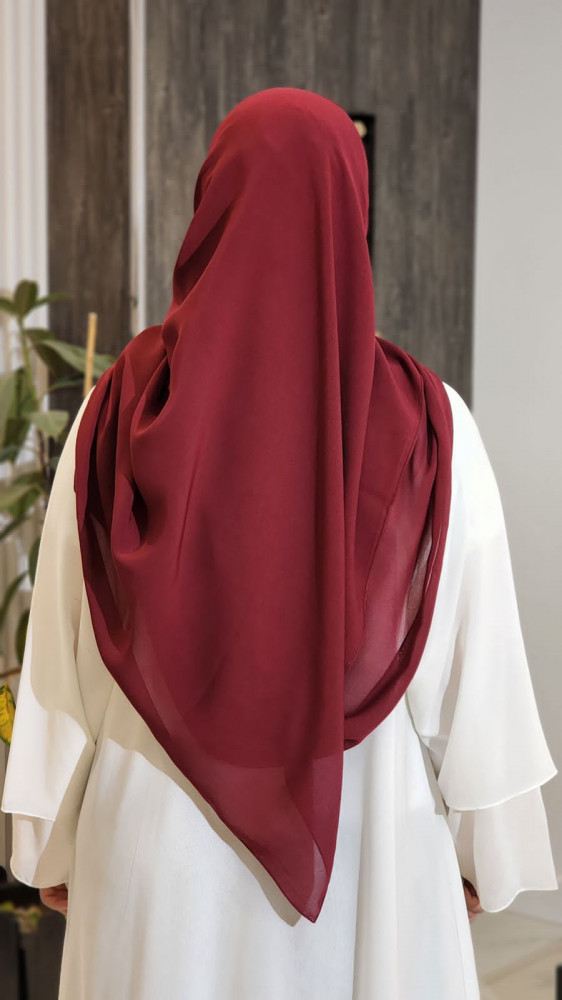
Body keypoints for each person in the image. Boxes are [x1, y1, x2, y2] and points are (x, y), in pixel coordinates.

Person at [1, 88, 557, 1000]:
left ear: (209, 211)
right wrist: (483, 854)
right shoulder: (433, 426)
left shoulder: (112, 414)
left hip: (154, 848)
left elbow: (68, 650)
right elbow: (476, 668)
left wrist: (51, 839)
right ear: (352, 217)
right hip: (370, 856)